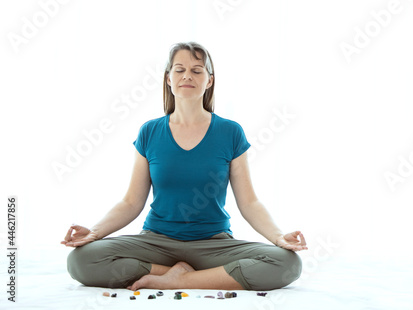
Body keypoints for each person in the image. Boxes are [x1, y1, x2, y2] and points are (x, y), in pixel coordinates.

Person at [62, 42, 306, 291]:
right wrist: (94, 232)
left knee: (286, 263)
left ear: (209, 81)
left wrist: (278, 237)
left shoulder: (230, 132)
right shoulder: (150, 132)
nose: (187, 76)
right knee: (81, 260)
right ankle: (183, 274)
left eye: (197, 70)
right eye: (179, 70)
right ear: (168, 78)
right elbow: (131, 203)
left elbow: (249, 203)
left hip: (212, 244)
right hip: (156, 243)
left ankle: (182, 279)